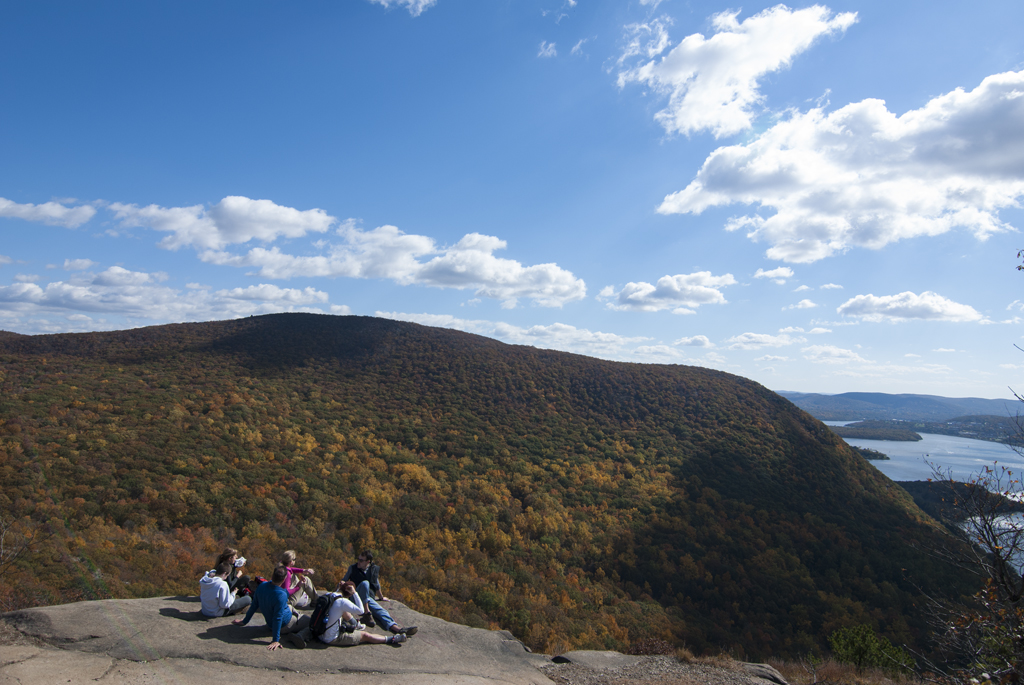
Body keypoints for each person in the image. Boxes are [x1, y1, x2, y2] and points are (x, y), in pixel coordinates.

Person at [296, 581, 407, 648]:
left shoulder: (329, 595)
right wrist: (355, 593)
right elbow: (361, 611)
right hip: (331, 638)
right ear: (349, 594)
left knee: (343, 612)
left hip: (319, 631)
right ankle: (392, 639)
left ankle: (355, 624)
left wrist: (339, 587)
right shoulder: (343, 602)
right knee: (365, 636)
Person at [232, 565, 309, 650]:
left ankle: (297, 615)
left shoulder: (262, 586)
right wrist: (275, 640)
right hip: (285, 625)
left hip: (270, 623)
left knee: (289, 606)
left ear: (272, 576)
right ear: (283, 580)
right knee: (311, 622)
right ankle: (299, 635)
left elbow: (254, 605)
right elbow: (278, 618)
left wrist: (244, 621)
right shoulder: (280, 595)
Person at [342, 550, 417, 636]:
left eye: (361, 560)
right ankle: (367, 613)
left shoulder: (373, 570)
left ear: (368, 562)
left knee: (381, 611)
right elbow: (344, 579)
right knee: (365, 583)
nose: (358, 562)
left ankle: (398, 629)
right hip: (354, 597)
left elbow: (377, 585)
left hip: (367, 598)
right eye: (358, 559)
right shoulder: (352, 568)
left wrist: (381, 597)